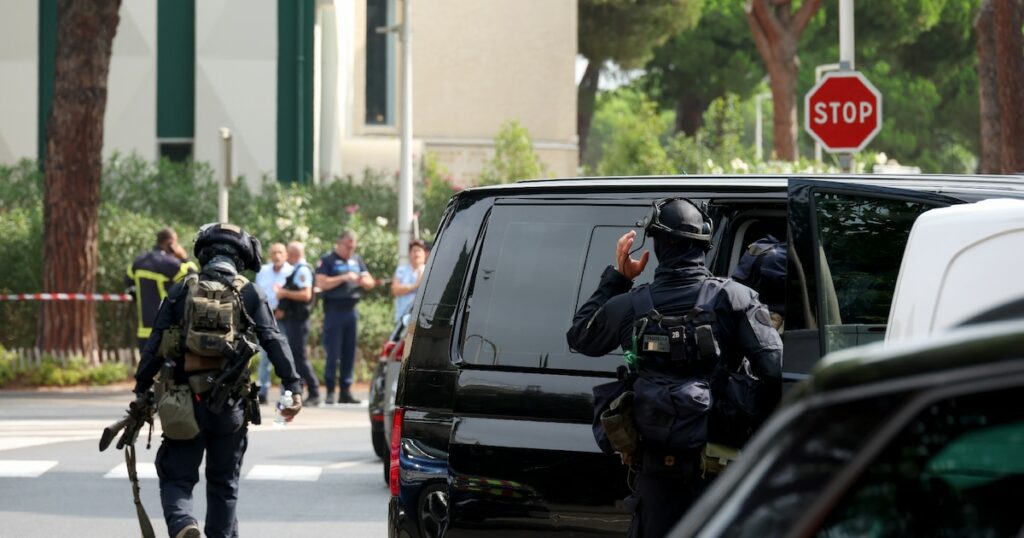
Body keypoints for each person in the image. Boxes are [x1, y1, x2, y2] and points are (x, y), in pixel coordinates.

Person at [566, 198, 782, 538]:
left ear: (658, 244)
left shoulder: (629, 306)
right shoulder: (737, 298)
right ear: (704, 245)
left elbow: (579, 338)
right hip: (723, 473)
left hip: (655, 479)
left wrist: (618, 279)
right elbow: (773, 371)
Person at [133, 223, 302, 538]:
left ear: (204, 254)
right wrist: (293, 386)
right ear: (241, 259)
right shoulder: (251, 292)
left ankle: (183, 524)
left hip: (183, 403)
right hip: (231, 407)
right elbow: (274, 340)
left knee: (177, 477)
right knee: (224, 483)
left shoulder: (182, 289)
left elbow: (154, 346)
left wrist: (141, 389)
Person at [316, 230, 376, 404]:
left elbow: (370, 281)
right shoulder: (328, 260)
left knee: (349, 352)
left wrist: (365, 281)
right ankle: (329, 391)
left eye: (353, 247)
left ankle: (345, 391)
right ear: (339, 244)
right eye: (348, 247)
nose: (350, 250)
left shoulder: (356, 260)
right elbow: (321, 282)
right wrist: (343, 278)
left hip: (351, 310)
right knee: (333, 352)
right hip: (334, 311)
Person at [126, 228, 198, 350]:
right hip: (167, 329)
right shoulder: (170, 263)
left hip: (144, 330)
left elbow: (129, 281)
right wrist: (184, 257)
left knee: (146, 367)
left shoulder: (138, 262)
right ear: (170, 244)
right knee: (171, 367)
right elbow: (194, 276)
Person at [275, 241, 321, 406]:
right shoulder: (297, 270)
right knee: (295, 357)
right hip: (294, 319)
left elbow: (305, 295)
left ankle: (314, 392)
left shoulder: (302, 270)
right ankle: (299, 392)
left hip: (299, 321)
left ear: (293, 254)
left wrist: (284, 293)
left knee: (299, 358)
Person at [253, 242, 292, 404]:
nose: (277, 255)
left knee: (285, 355)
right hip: (265, 318)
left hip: (285, 319)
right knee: (265, 357)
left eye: (280, 252)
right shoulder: (263, 271)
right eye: (274, 252)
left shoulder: (291, 271)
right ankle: (263, 392)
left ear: (286, 255)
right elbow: (257, 293)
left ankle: (287, 392)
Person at [391, 239, 428, 322]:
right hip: (402, 317)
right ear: (410, 253)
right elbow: (395, 290)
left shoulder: (429, 271)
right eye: (414, 251)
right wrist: (415, 286)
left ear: (424, 254)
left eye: (419, 251)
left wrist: (405, 289)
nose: (417, 254)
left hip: (422, 318)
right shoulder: (401, 270)